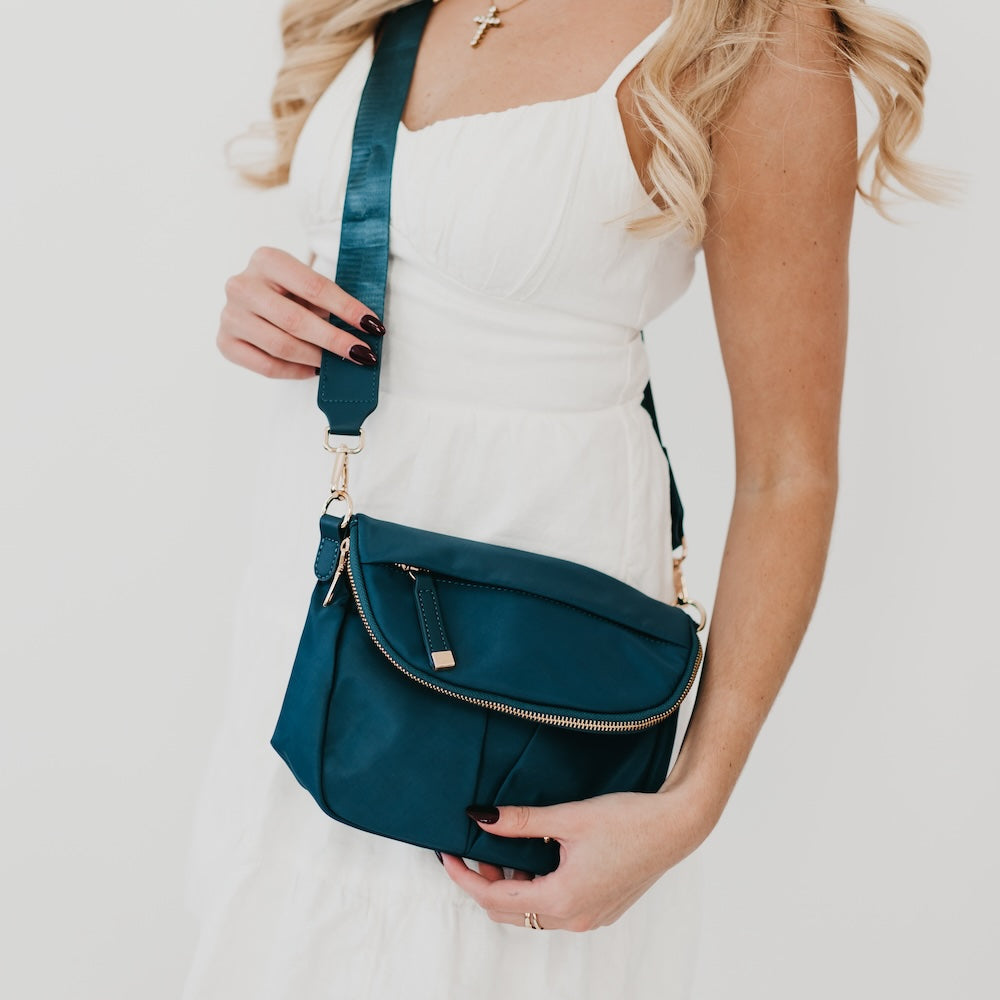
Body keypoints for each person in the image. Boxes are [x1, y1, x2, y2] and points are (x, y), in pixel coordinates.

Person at [183, 0, 936, 995]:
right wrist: (264, 309)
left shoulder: (756, 31)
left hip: (521, 665)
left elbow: (787, 472)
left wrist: (690, 804)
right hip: (305, 626)